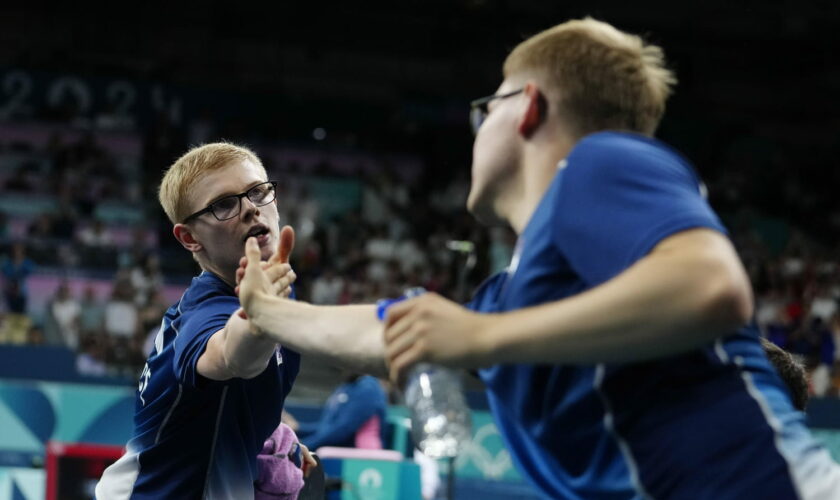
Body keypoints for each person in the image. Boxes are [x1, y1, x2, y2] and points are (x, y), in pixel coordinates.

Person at [236, 18, 840, 499]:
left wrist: (484, 337)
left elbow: (712, 284)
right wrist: (266, 311)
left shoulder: (600, 162)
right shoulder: (514, 292)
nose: (477, 130)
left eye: (485, 108)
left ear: (526, 105)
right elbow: (388, 332)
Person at [96, 143, 314, 499]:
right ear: (189, 238)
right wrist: (259, 319)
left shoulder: (278, 294)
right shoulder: (202, 315)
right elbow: (232, 356)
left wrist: (262, 437)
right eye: (223, 204)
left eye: (258, 192)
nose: (249, 209)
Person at [295, 374, 387, 451]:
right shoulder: (345, 386)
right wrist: (298, 428)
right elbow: (327, 427)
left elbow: (341, 431)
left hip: (362, 460)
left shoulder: (368, 389)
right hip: (341, 453)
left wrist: (303, 445)